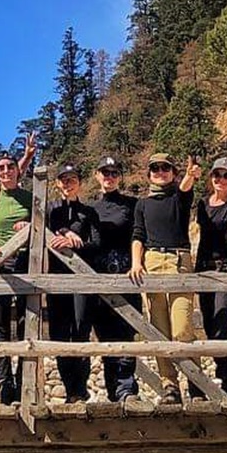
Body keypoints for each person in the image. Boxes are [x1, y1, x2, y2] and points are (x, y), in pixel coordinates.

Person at [129, 152, 202, 405]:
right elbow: (138, 234)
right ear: (149, 173)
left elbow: (184, 190)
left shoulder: (178, 198)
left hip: (179, 261)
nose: (160, 172)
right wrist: (136, 262)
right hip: (152, 262)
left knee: (182, 327)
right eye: (155, 168)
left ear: (173, 172)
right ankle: (169, 385)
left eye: (165, 168)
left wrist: (191, 176)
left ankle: (197, 384)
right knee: (159, 329)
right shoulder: (142, 204)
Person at [0, 151, 33, 405]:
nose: (6, 171)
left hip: (24, 263)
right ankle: (4, 383)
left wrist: (29, 227)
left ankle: (24, 379)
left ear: (17, 170)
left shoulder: (30, 199)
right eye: (1, 168)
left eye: (10, 166)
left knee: (25, 322)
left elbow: (41, 227)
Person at [195, 157, 227, 399]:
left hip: (225, 268)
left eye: (226, 175)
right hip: (203, 269)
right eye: (216, 174)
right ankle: (224, 370)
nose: (220, 179)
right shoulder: (203, 204)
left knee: (221, 323)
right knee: (209, 325)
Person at [47, 164, 100, 403]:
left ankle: (80, 388)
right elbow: (39, 232)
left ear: (79, 182)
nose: (68, 184)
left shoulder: (89, 212)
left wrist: (77, 244)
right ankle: (69, 389)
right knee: (59, 334)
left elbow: (97, 244)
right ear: (57, 184)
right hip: (56, 280)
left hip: (81, 279)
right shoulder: (48, 210)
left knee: (80, 331)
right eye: (63, 180)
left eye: (72, 179)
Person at [88, 156, 139, 402]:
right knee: (105, 336)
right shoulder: (90, 209)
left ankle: (127, 389)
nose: (109, 177)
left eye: (113, 173)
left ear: (120, 176)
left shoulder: (133, 205)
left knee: (127, 334)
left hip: (127, 278)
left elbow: (140, 237)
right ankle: (113, 392)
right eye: (104, 172)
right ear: (97, 175)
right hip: (97, 281)